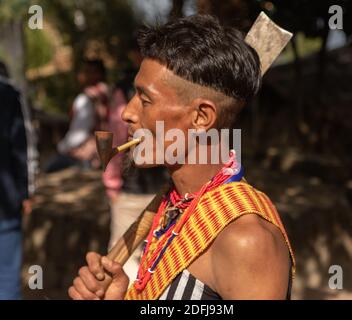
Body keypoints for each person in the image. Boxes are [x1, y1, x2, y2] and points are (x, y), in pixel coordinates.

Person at [68, 14, 295, 300]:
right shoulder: (174, 204)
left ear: (202, 117)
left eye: (145, 99)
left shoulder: (246, 241)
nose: (127, 112)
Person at [45, 59, 109, 172]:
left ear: (97, 73)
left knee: (48, 169)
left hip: (82, 153)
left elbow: (83, 131)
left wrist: (66, 148)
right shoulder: (104, 92)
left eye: (87, 71)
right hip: (93, 150)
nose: (82, 75)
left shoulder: (89, 97)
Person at [0, 63, 29, 300]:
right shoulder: (8, 95)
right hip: (6, 203)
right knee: (7, 280)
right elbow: (20, 150)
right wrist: (25, 192)